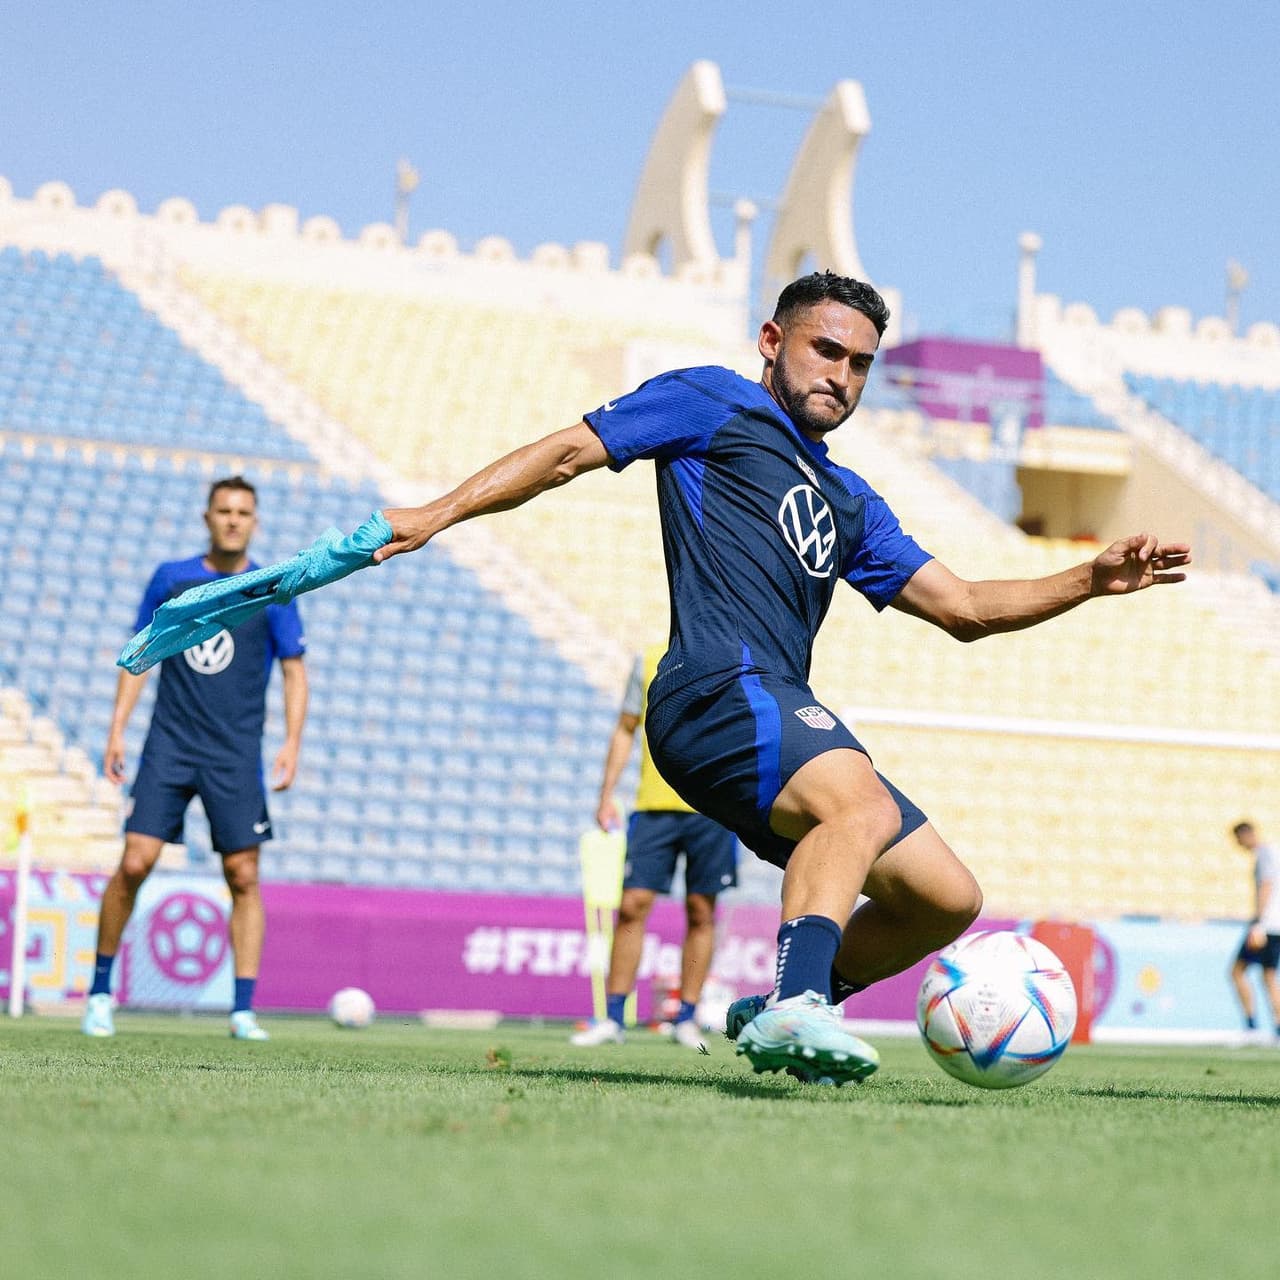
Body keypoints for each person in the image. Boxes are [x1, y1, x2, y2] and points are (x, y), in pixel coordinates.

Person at [372, 271, 1191, 1084]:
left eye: (861, 362)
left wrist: (1088, 580)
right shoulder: (712, 401)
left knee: (946, 899)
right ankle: (800, 1005)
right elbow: (564, 454)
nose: (842, 375)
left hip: (775, 701)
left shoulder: (850, 499)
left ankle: (786, 1000)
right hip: (713, 688)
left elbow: (965, 605)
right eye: (826, 350)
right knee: (859, 805)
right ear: (773, 342)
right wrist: (432, 514)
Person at [82, 476, 308, 1041]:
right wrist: (116, 730)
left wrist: (292, 740)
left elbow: (294, 668)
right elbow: (141, 652)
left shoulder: (272, 587)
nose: (233, 520)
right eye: (224, 510)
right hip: (171, 744)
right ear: (207, 517)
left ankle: (242, 1010)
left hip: (234, 753)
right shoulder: (173, 578)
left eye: (243, 512)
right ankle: (100, 995)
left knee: (243, 875)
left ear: (255, 522)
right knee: (135, 861)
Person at [571, 643, 739, 1051]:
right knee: (632, 905)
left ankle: (687, 1017)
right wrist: (606, 793)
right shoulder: (647, 661)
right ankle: (612, 1018)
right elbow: (626, 727)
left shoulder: (733, 655)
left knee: (702, 910)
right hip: (653, 809)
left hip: (713, 806)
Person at [1228, 821, 1280, 1041]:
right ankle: (1277, 1028)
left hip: (1265, 925)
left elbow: (1267, 885)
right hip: (1276, 925)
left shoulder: (1265, 854)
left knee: (1237, 972)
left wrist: (1257, 923)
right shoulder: (1274, 853)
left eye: (1238, 839)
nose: (1238, 844)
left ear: (1245, 835)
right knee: (1268, 976)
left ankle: (1251, 1026)